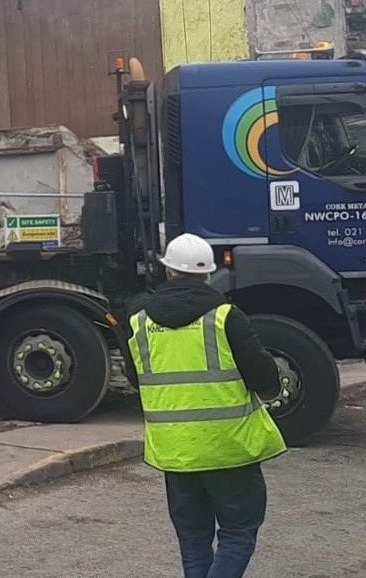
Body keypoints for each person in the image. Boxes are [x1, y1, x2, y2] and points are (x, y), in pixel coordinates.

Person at [114, 233, 289, 578]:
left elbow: (137, 380)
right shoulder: (226, 317)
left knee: (193, 537)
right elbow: (263, 376)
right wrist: (271, 390)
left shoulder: (139, 322)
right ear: (208, 274)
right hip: (229, 448)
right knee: (238, 532)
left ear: (168, 272)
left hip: (176, 452)